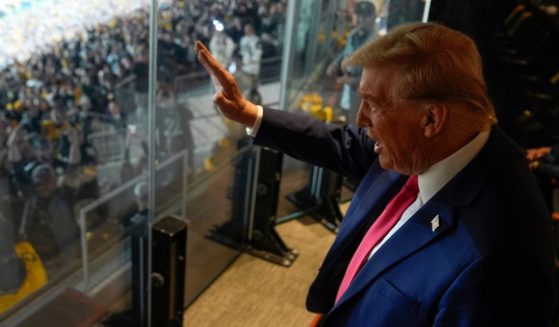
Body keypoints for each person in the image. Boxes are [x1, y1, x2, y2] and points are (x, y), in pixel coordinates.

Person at [196, 21, 556, 326]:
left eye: (373, 104)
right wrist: (248, 114)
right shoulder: (434, 144)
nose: (360, 119)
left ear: (431, 119)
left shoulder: (498, 263)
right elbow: (340, 142)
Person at [326, 1, 377, 124]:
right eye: (358, 15)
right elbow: (345, 52)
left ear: (373, 18)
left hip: (359, 94)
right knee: (342, 117)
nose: (361, 20)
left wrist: (349, 81)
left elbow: (374, 77)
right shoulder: (353, 34)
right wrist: (335, 63)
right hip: (346, 87)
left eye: (366, 16)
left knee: (355, 125)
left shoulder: (377, 43)